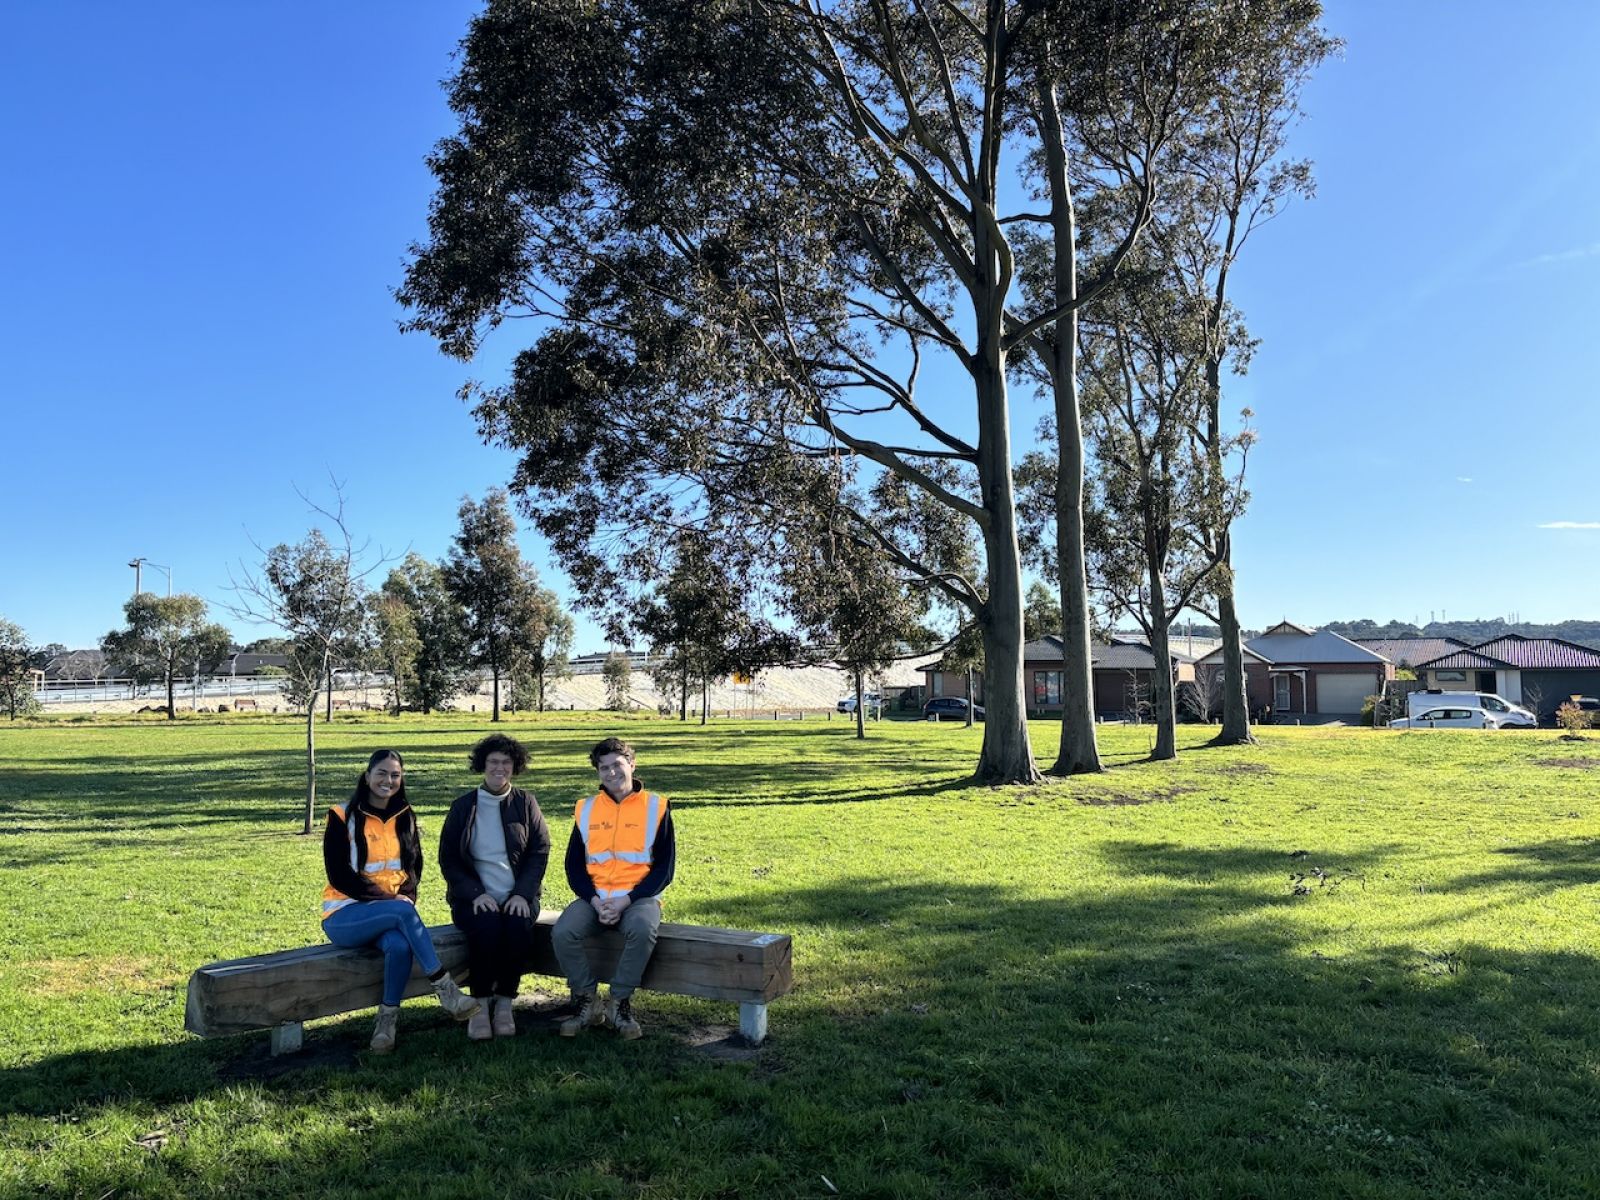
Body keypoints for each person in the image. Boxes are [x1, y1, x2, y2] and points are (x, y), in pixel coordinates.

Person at [321, 749, 480, 1053]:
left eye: (395, 774)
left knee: (399, 945)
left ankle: (386, 1023)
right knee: (399, 912)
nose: (388, 780)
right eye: (381, 773)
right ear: (367, 777)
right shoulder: (341, 816)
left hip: (393, 916)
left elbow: (414, 867)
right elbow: (339, 874)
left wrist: (405, 896)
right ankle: (445, 989)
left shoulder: (404, 815)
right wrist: (390, 901)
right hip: (345, 916)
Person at [552, 736, 675, 1040]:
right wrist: (595, 902)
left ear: (632, 764)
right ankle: (587, 1001)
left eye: (617, 765)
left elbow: (664, 869)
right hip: (595, 898)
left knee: (643, 930)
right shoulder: (586, 808)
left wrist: (626, 901)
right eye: (603, 767)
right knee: (563, 931)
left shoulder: (656, 807)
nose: (611, 773)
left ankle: (619, 1003)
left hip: (638, 897)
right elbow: (574, 867)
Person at [438, 733, 551, 1041]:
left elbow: (539, 851)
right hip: (474, 898)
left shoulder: (526, 803)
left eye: (506, 762)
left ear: (515, 766)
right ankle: (480, 1004)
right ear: (482, 765)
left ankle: (504, 1005)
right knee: (486, 928)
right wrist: (476, 893)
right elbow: (448, 858)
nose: (499, 768)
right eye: (493, 762)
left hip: (518, 896)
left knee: (516, 926)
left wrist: (521, 894)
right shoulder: (463, 807)